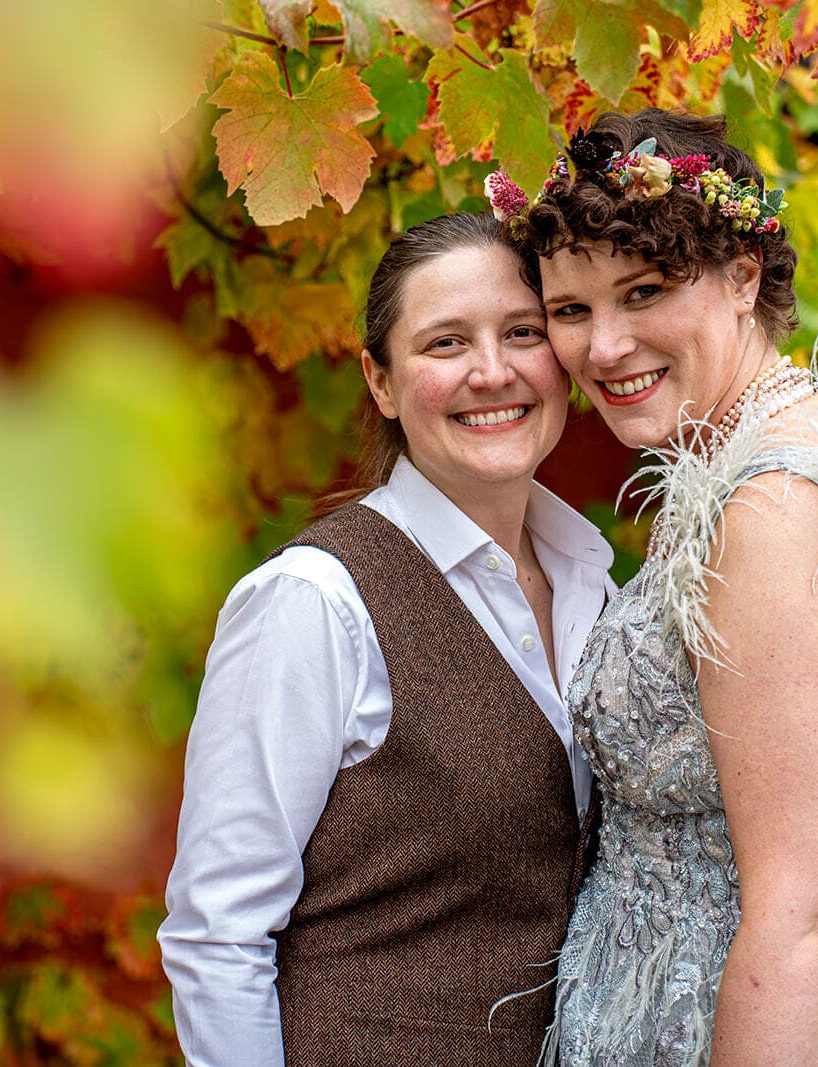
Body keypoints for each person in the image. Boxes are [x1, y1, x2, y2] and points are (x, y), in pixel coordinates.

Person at [490, 109, 818, 1064]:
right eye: (572, 311)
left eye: (646, 290)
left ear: (745, 274)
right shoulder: (748, 464)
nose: (606, 347)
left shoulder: (776, 508)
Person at [158, 211, 616, 1065]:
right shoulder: (315, 603)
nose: (493, 371)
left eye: (522, 332)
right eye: (445, 343)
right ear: (380, 380)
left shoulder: (594, 584)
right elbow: (218, 935)